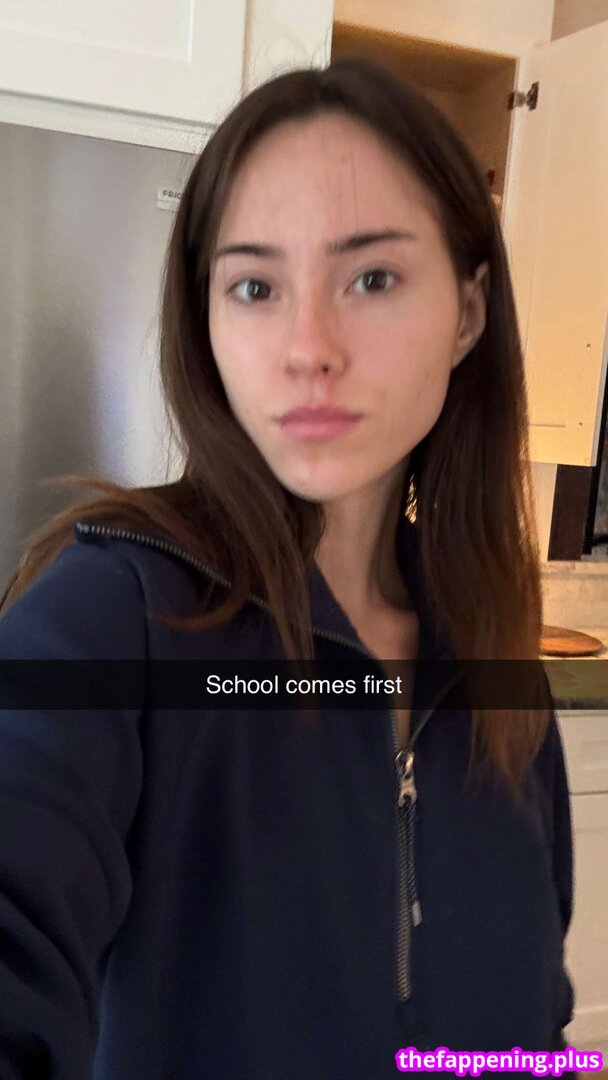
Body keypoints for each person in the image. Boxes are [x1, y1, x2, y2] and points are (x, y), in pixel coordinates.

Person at [0, 56, 576, 1079]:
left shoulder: (501, 675)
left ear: (467, 313)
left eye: (371, 278)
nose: (307, 348)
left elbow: (534, 1033)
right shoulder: (112, 613)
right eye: (255, 287)